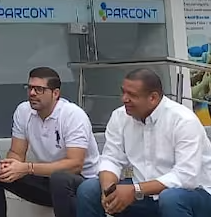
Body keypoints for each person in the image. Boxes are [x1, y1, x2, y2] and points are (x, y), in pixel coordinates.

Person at [76, 68, 211, 217]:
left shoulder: (183, 121)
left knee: (171, 198)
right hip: (142, 193)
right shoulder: (120, 116)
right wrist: (109, 190)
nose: (124, 99)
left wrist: (136, 190)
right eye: (123, 92)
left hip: (193, 195)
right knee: (89, 189)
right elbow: (111, 158)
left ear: (153, 98)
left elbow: (186, 177)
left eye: (132, 95)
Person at [0, 66, 99, 217]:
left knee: (60, 178)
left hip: (82, 184)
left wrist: (27, 168)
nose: (32, 93)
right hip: (47, 179)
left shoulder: (72, 115)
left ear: (55, 93)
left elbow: (75, 165)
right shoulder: (23, 111)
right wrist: (10, 166)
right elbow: (17, 152)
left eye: (39, 89)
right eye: (29, 88)